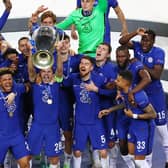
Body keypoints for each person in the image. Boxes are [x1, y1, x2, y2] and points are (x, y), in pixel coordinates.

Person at [119, 28, 168, 168]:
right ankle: (149, 164)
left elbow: (156, 75)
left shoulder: (159, 52)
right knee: (146, 131)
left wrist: (139, 64)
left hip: (155, 95)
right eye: (143, 39)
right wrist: (136, 32)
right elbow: (122, 41)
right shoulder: (137, 46)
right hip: (140, 94)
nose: (144, 43)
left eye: (148, 40)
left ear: (153, 41)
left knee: (161, 128)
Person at [99, 70, 157, 168]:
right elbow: (125, 104)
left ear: (126, 83)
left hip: (144, 130)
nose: (115, 82)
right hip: (133, 127)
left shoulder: (139, 95)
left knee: (139, 161)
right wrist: (110, 110)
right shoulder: (125, 92)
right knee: (131, 156)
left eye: (118, 80)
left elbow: (153, 114)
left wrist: (133, 116)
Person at [62, 56, 110, 168]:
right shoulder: (74, 78)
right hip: (80, 122)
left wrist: (96, 90)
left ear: (92, 67)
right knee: (78, 151)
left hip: (96, 121)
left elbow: (112, 92)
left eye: (86, 64)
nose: (83, 66)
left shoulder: (99, 79)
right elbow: (61, 81)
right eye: (81, 63)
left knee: (103, 151)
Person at [27, 41, 63, 168]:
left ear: (52, 74)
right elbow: (31, 70)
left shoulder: (56, 84)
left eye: (49, 72)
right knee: (28, 155)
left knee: (54, 158)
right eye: (43, 72)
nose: (46, 74)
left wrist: (58, 52)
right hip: (37, 125)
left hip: (52, 126)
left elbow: (59, 70)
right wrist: (31, 52)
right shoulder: (36, 84)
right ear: (40, 74)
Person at [56, 34, 82, 168]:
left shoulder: (77, 59)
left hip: (67, 102)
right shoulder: (50, 58)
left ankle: (66, 161)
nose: (64, 45)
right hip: (52, 101)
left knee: (68, 134)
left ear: (70, 44)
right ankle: (47, 160)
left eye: (66, 42)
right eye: (61, 43)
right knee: (49, 133)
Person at [93, 42, 118, 167]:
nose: (99, 50)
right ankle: (97, 164)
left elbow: (113, 92)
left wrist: (98, 90)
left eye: (103, 49)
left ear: (107, 55)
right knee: (95, 139)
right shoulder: (89, 65)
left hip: (108, 109)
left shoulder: (112, 69)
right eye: (98, 47)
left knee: (111, 142)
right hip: (92, 109)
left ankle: (112, 165)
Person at [0, 67, 30, 168]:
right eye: (4, 80)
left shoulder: (16, 88)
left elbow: (28, 86)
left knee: (25, 164)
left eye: (9, 79)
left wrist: (14, 93)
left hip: (17, 135)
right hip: (1, 137)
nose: (8, 82)